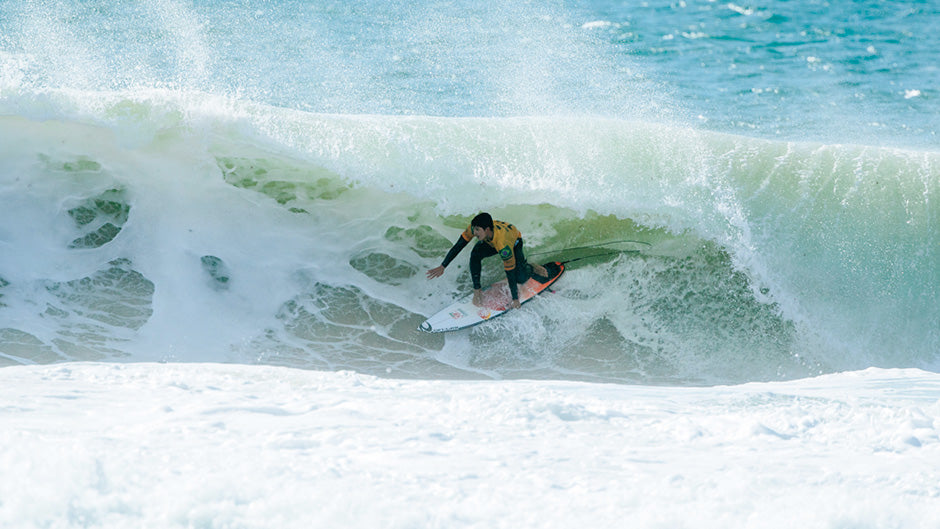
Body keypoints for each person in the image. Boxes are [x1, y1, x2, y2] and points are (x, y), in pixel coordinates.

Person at [427, 212, 547, 309]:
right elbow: (459, 245)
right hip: (491, 242)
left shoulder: (504, 245)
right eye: (474, 229)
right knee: (475, 254)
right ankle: (477, 290)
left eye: (478, 230)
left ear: (487, 229)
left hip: (514, 242)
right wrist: (443, 266)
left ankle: (531, 267)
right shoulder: (475, 229)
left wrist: (515, 299)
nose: (474, 233)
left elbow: (509, 272)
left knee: (519, 277)